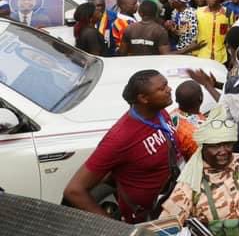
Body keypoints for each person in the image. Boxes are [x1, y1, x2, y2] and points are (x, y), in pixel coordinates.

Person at [64, 70, 178, 223]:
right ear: (144, 98)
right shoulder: (120, 138)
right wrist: (114, 228)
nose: (169, 89)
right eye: (162, 88)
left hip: (171, 205)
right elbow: (74, 190)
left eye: (167, 85)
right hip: (146, 220)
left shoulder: (160, 112)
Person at [160, 106, 239, 235]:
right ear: (203, 148)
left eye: (227, 144)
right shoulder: (190, 184)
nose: (223, 151)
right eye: (215, 146)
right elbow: (164, 230)